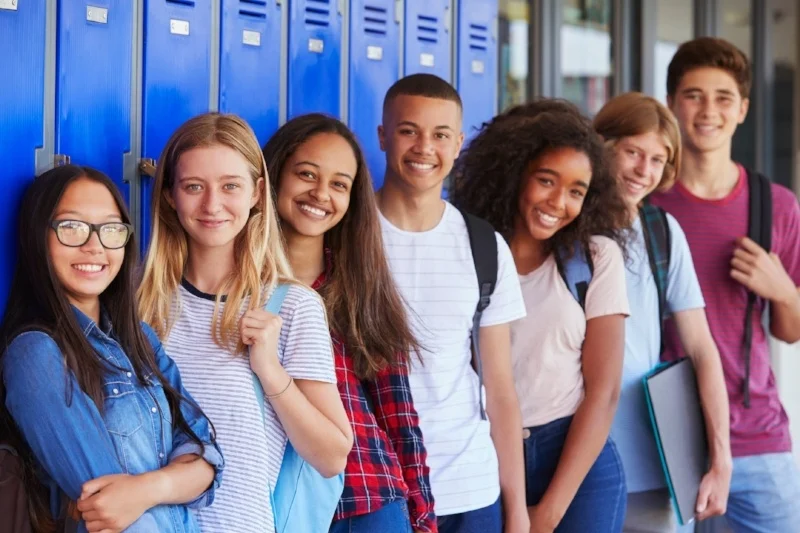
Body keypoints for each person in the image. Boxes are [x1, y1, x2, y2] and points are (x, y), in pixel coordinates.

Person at [138, 112, 353, 532]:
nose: (212, 205)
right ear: (169, 195)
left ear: (257, 193)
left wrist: (270, 371)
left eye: (230, 186)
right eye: (193, 187)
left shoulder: (293, 307)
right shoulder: (139, 302)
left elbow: (331, 457)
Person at [1, 165, 223, 533]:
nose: (95, 245)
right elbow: (106, 507)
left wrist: (146, 488)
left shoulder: (140, 340)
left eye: (110, 229)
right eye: (71, 227)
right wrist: (173, 482)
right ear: (38, 238)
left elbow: (208, 458)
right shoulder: (36, 354)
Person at [452, 99, 630, 532]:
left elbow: (603, 394)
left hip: (573, 462)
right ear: (514, 176)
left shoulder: (594, 259)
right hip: (484, 454)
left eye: (576, 191)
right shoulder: (466, 250)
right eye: (546, 181)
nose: (558, 202)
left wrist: (549, 512)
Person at [651, 37, 800, 532]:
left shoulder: (775, 205)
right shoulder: (648, 205)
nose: (707, 110)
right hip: (661, 434)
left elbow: (791, 331)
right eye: (693, 95)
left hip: (756, 434)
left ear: (742, 110)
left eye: (722, 97)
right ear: (673, 103)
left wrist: (783, 291)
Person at [264, 113, 436, 532]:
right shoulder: (236, 287)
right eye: (306, 174)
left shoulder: (360, 287)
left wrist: (424, 518)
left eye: (339, 184)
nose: (321, 194)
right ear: (273, 177)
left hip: (366, 501)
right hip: (272, 505)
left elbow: (398, 415)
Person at [376, 73, 529, 533]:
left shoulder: (484, 244)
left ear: (458, 143)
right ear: (383, 136)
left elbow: (499, 389)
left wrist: (517, 508)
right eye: (409, 131)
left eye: (440, 135)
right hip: (380, 491)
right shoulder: (346, 237)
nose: (425, 147)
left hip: (472, 491)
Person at [594, 92, 732, 532]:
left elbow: (702, 349)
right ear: (602, 146)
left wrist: (720, 458)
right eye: (632, 152)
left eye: (657, 160)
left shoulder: (662, 232)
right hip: (575, 461)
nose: (643, 171)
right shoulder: (565, 224)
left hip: (655, 459)